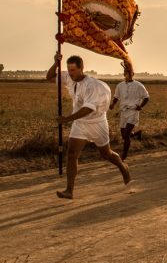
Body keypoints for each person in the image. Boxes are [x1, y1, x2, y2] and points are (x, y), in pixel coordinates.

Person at [46, 53, 130, 199]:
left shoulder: (92, 86)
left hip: (97, 123)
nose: (70, 73)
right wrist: (56, 63)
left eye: (73, 70)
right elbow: (50, 77)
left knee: (106, 154)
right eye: (68, 69)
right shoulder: (68, 77)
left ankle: (123, 167)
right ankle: (69, 191)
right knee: (71, 154)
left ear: (81, 68)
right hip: (80, 124)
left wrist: (66, 119)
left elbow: (88, 109)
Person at [109, 64, 149, 161]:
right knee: (124, 135)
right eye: (126, 73)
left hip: (133, 111)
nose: (128, 75)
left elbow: (146, 97)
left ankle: (124, 155)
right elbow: (116, 97)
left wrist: (141, 106)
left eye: (130, 73)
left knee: (126, 134)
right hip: (123, 112)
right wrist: (113, 104)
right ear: (124, 74)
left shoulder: (139, 85)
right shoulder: (120, 85)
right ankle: (136, 134)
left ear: (133, 74)